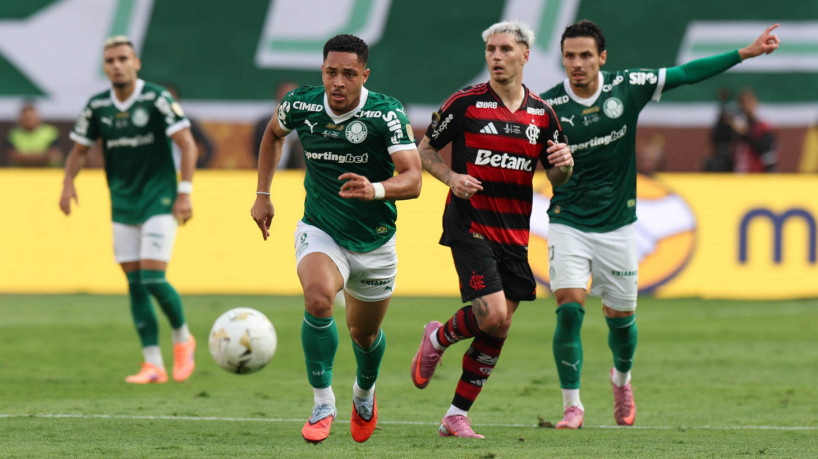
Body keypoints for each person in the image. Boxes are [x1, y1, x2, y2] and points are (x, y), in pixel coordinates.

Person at [539, 20, 779, 429]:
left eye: (584, 55)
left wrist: (744, 53)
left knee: (622, 324)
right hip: (568, 221)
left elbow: (686, 74)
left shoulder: (627, 86)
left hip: (618, 226)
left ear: (602, 58)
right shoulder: (546, 108)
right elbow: (538, 167)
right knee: (568, 310)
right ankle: (572, 406)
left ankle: (622, 380)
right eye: (569, 56)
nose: (576, 64)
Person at [250, 34, 421, 444]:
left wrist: (375, 189)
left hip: (375, 242)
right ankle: (323, 402)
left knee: (364, 335)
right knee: (318, 299)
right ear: (322, 72)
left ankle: (364, 391)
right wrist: (262, 194)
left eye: (348, 73)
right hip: (321, 229)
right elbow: (274, 134)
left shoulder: (386, 113)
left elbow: (413, 179)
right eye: (331, 72)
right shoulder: (301, 104)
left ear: (365, 74)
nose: (338, 82)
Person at [410, 20, 573, 439]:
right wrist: (451, 179)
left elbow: (558, 177)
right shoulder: (465, 104)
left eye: (504, 50)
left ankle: (455, 415)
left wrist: (565, 166)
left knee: (498, 327)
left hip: (514, 231)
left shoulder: (543, 114)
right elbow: (424, 151)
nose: (496, 57)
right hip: (469, 222)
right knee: (492, 312)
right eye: (490, 50)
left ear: (525, 55)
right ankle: (439, 337)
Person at [59, 36, 198, 385]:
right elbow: (78, 150)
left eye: (123, 58)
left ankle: (183, 339)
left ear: (136, 63)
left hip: (160, 198)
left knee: (152, 276)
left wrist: (185, 192)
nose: (117, 65)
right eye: (110, 60)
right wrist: (67, 183)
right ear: (105, 67)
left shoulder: (156, 98)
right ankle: (153, 364)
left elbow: (187, 144)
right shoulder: (98, 106)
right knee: (135, 284)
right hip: (122, 202)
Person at [253, 81, 305, 169]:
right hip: (268, 168)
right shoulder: (264, 123)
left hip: (295, 172)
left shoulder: (308, 122)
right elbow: (256, 152)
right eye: (287, 95)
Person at [166, 84, 216, 169]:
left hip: (182, 171)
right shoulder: (150, 124)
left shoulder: (187, 122)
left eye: (172, 99)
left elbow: (209, 146)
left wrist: (198, 166)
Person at [730, 88, 778, 173]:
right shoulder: (736, 126)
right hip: (739, 173)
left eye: (749, 103)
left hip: (756, 176)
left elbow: (766, 153)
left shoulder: (762, 128)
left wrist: (746, 133)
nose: (746, 107)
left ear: (755, 103)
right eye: (742, 103)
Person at [4, 102, 63, 167]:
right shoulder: (14, 134)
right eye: (26, 118)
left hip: (47, 173)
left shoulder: (50, 132)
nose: (29, 121)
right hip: (19, 174)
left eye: (31, 118)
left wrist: (24, 157)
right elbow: (12, 155)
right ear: (20, 119)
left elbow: (55, 154)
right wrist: (43, 156)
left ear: (38, 117)